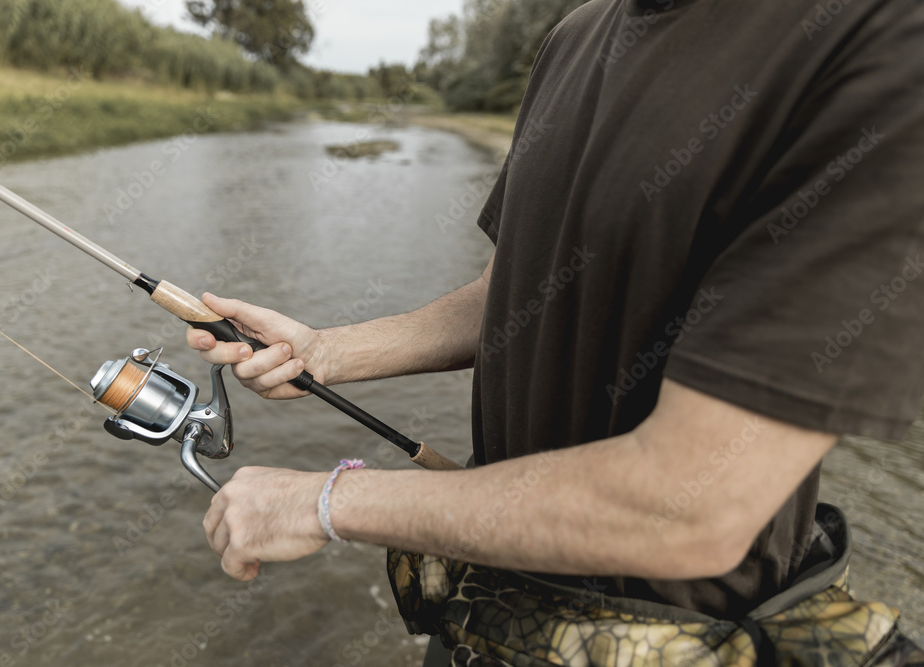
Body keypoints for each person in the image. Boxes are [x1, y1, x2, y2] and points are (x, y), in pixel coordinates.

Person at [188, 0, 924, 664]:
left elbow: (692, 508)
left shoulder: (884, 44)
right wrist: (325, 351)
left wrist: (326, 502)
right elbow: (508, 293)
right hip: (483, 621)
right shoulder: (574, 36)